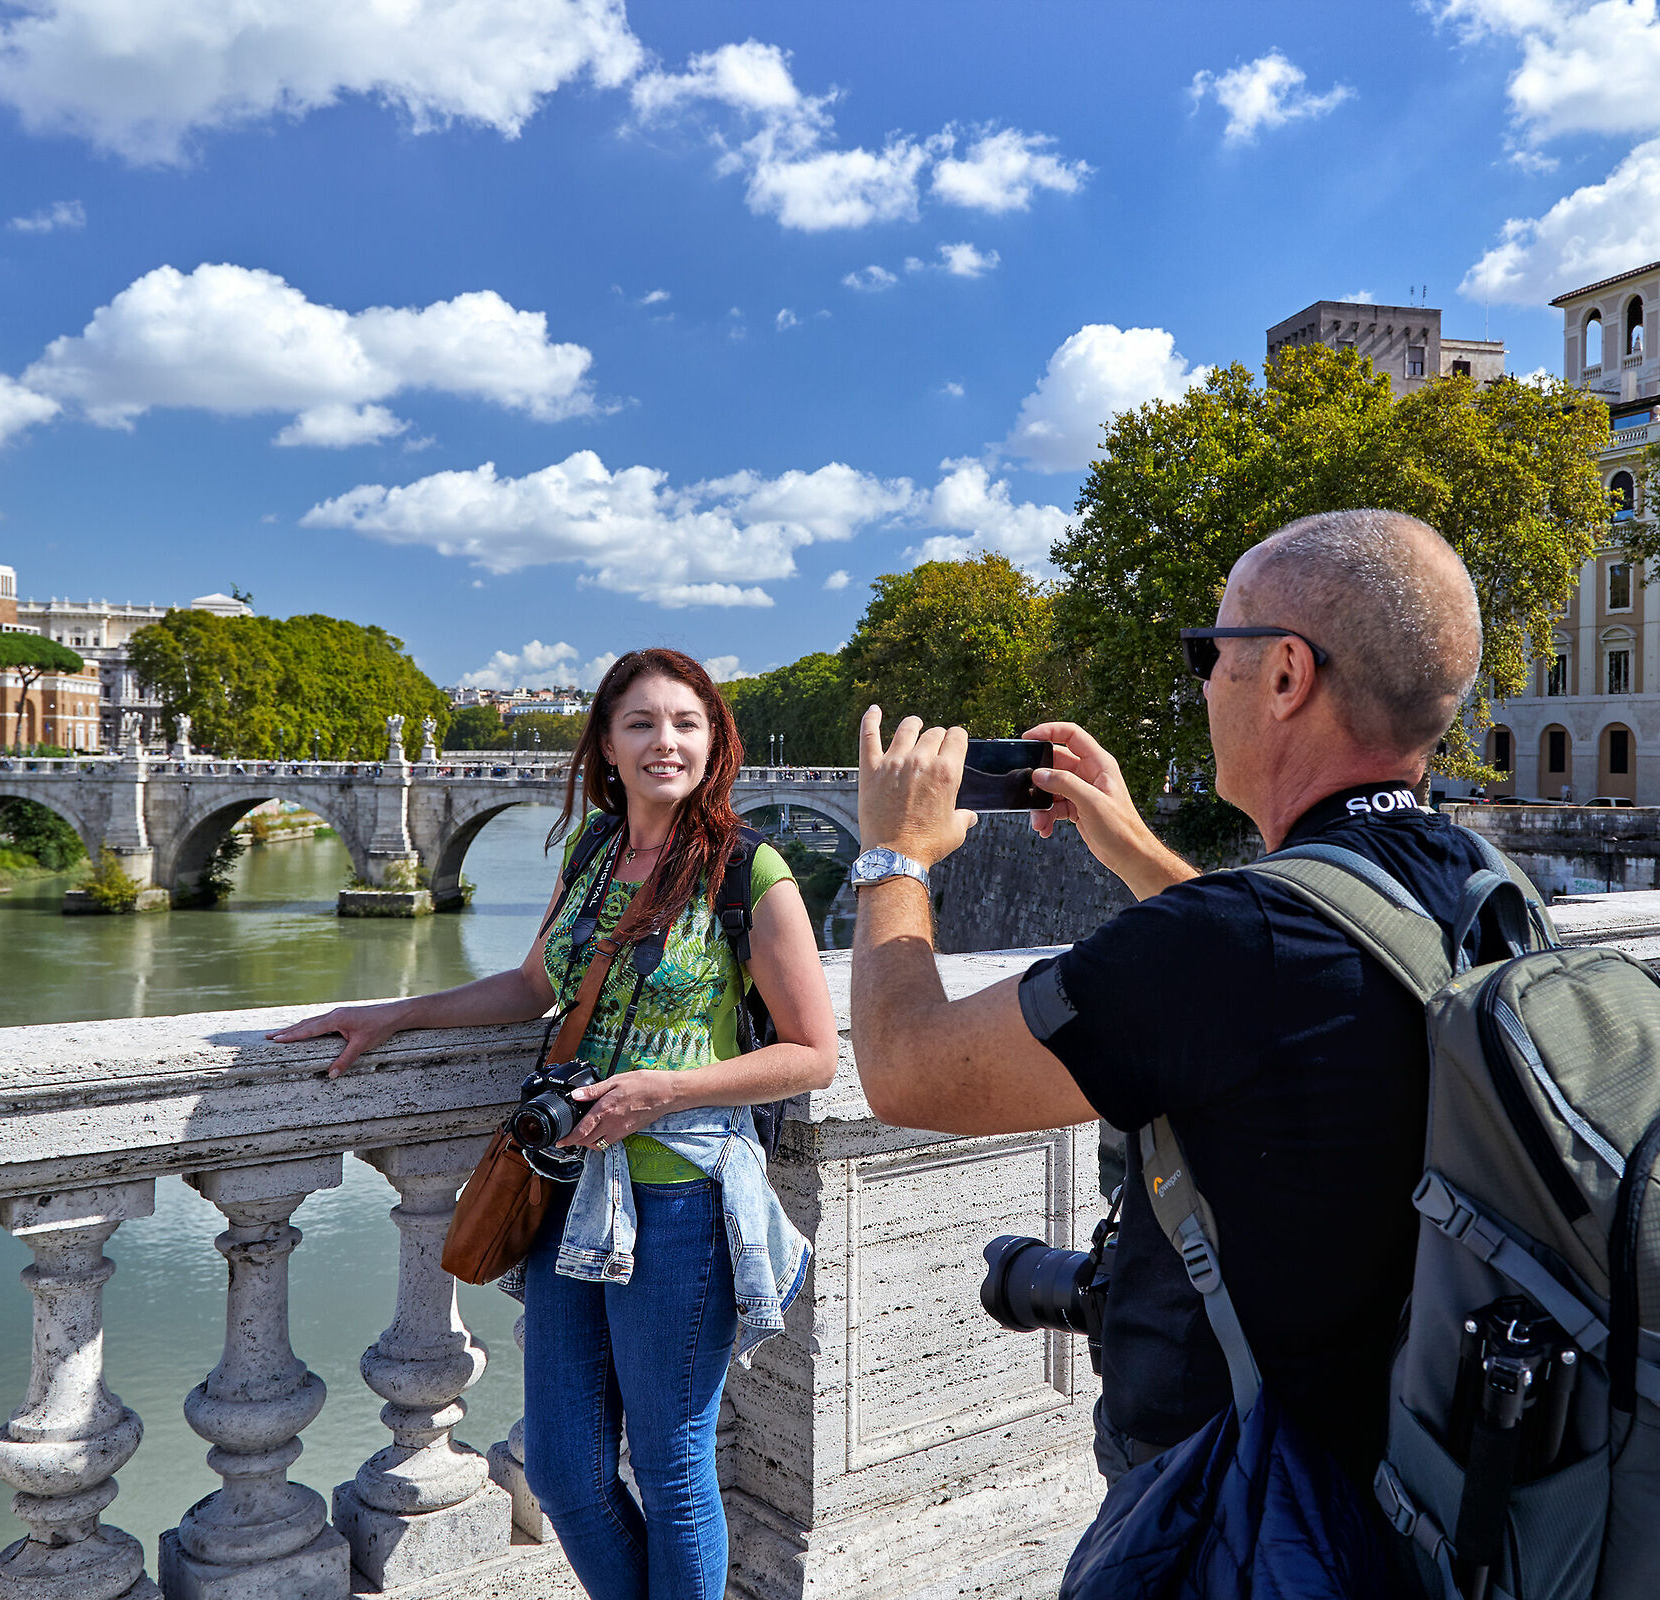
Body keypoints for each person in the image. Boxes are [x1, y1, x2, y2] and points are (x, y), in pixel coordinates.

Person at [847, 509, 1487, 1586]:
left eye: (1211, 651)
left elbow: (909, 1065)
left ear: (1286, 674)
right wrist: (1138, 849)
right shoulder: (1477, 887)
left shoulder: (1222, 951)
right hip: (1426, 1490)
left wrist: (893, 856)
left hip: (1236, 1517)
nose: (1200, 682)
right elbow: (1297, 974)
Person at [270, 648, 836, 1600]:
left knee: (669, 1465)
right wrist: (395, 1013)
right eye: (642, 724)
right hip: (571, 1194)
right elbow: (535, 987)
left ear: (714, 743)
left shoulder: (749, 870)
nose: (667, 742)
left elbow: (813, 1053)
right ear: (607, 746)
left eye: (687, 724)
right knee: (569, 1476)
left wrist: (665, 1089)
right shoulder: (594, 854)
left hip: (682, 1198)